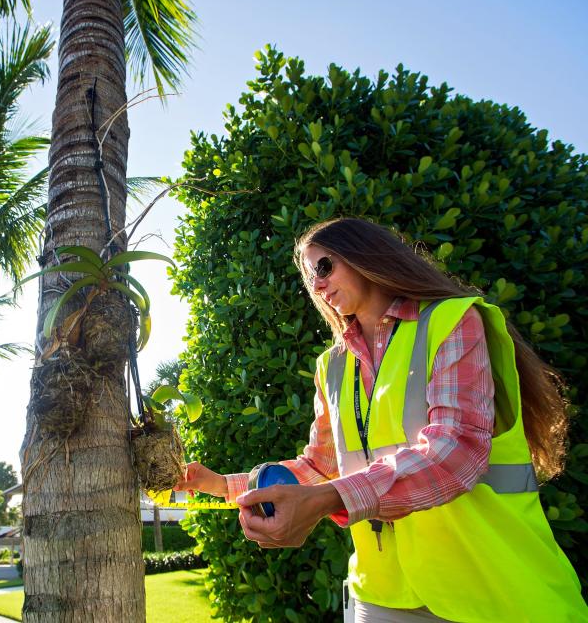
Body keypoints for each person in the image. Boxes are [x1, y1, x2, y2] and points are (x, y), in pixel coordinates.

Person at [175, 217, 587, 622]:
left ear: (365, 254)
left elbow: (456, 450)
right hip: (383, 594)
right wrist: (217, 485)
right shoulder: (331, 367)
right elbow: (319, 468)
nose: (317, 285)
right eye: (309, 276)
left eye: (324, 266)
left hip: (490, 585)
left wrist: (331, 499)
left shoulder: (452, 322)